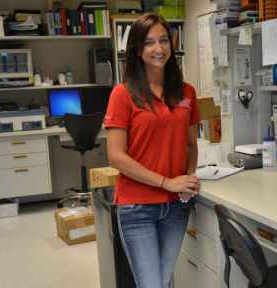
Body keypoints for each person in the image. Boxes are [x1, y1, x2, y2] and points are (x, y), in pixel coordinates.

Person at [105, 13, 201, 288]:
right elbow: (116, 156)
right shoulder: (122, 94)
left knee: (163, 281)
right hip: (137, 207)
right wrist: (167, 182)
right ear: (136, 48)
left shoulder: (187, 92)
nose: (158, 49)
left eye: (163, 41)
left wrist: (189, 177)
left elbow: (191, 144)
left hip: (177, 206)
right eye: (149, 43)